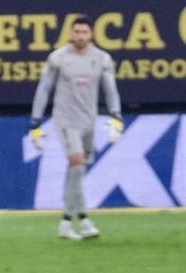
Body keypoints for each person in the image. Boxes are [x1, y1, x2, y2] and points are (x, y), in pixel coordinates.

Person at [28, 16, 124, 241]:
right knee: (78, 164)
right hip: (65, 119)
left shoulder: (101, 58)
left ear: (91, 34)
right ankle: (75, 220)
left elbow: (110, 89)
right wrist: (35, 121)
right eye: (77, 32)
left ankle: (74, 221)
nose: (80, 36)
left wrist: (116, 115)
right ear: (71, 34)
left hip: (89, 120)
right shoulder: (58, 58)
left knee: (78, 170)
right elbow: (44, 89)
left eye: (84, 32)